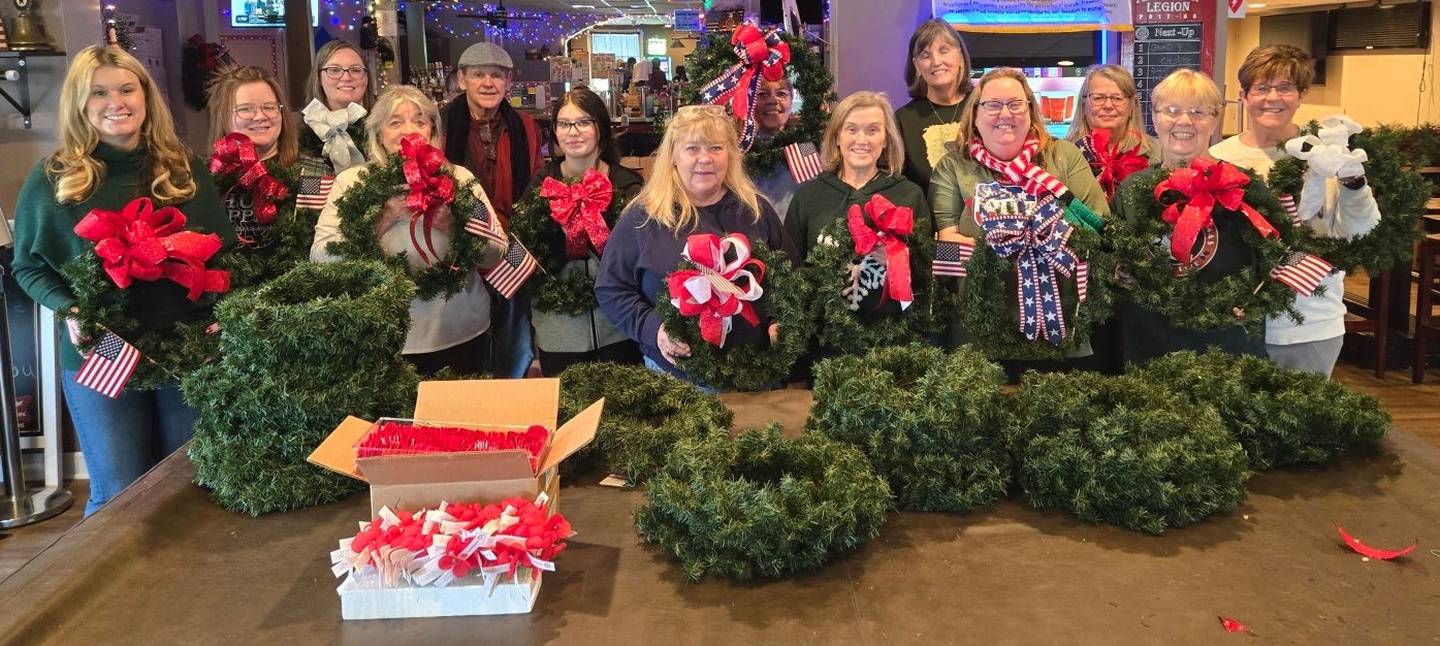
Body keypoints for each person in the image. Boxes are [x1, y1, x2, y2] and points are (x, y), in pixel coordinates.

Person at [12, 46, 235, 516]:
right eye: (99, 93)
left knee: (190, 484)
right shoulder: (54, 178)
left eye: (127, 89)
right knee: (118, 492)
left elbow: (223, 254)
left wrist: (222, 319)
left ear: (146, 96)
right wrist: (70, 309)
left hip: (186, 346)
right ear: (79, 103)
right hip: (102, 349)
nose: (116, 102)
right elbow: (28, 266)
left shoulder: (184, 170)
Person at [596, 105, 799, 385]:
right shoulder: (643, 217)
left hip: (756, 376)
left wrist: (780, 321)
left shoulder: (755, 210)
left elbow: (792, 277)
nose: (705, 159)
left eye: (716, 148)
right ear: (673, 157)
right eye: (692, 148)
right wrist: (653, 330)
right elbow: (611, 288)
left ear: (730, 155)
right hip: (675, 380)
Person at [311, 85, 506, 376]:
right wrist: (380, 223)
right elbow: (321, 258)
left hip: (461, 331)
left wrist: (455, 228)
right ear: (379, 134)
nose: (409, 130)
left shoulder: (460, 180)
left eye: (420, 121)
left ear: (432, 131)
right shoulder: (351, 184)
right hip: (383, 336)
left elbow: (497, 252)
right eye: (395, 122)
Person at [1209, 45, 1379, 378]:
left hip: (1309, 324)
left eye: (1285, 87)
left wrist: (1353, 182)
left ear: (1301, 94)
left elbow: (1361, 231)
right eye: (1262, 87)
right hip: (1235, 324)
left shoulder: (1326, 156)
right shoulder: (1219, 157)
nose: (1272, 98)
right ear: (1244, 95)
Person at [929, 67, 1110, 371]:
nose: (1005, 114)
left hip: (1056, 326)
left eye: (1015, 104)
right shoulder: (954, 166)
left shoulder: (1063, 156)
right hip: (980, 328)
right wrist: (1028, 244)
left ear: (1030, 111)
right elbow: (945, 246)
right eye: (993, 105)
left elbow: (1098, 228)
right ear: (975, 114)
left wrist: (1029, 240)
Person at [1112, 68, 1268, 365]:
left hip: (1226, 353)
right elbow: (1112, 260)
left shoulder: (1243, 187)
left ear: (1215, 119)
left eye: (1198, 112)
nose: (1184, 121)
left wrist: (1257, 303)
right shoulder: (1132, 191)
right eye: (1171, 110)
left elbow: (1276, 263)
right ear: (1155, 117)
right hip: (1148, 352)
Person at [520, 89, 645, 375]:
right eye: (564, 124)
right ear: (554, 131)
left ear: (601, 127)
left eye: (583, 122)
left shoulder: (627, 186)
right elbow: (525, 251)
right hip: (560, 331)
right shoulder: (541, 187)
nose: (573, 132)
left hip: (620, 328)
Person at [442, 42, 544, 378]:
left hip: (513, 245)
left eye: (497, 75)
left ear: (508, 82)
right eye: (478, 74)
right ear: (462, 79)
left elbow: (537, 185)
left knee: (514, 342)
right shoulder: (441, 126)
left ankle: (509, 392)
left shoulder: (526, 128)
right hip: (461, 251)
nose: (488, 83)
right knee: (467, 347)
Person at [786, 91, 931, 259]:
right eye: (852, 129)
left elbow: (925, 267)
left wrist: (895, 259)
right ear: (837, 137)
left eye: (872, 130)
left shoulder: (910, 195)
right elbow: (790, 267)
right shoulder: (807, 197)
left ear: (886, 139)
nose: (861, 140)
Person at [206, 65, 307, 276]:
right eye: (246, 109)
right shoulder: (203, 178)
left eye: (269, 107)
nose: (260, 116)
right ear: (224, 116)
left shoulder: (312, 172)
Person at [894, 18, 974, 193]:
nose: (936, 61)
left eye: (944, 50)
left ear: (960, 57)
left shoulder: (984, 107)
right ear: (916, 66)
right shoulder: (901, 120)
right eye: (925, 55)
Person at [1066, 64, 1161, 199]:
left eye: (1117, 98)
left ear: (1132, 106)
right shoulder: (1061, 154)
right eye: (1098, 98)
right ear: (1083, 105)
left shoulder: (1158, 153)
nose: (1108, 106)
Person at [299, 41, 373, 176]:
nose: (346, 77)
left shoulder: (384, 127)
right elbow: (305, 188)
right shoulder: (298, 135)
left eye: (355, 70)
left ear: (366, 78)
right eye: (334, 70)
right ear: (319, 78)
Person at [749, 76, 804, 218]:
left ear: (791, 100)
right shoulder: (739, 150)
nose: (772, 101)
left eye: (781, 94)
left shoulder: (807, 146)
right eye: (762, 94)